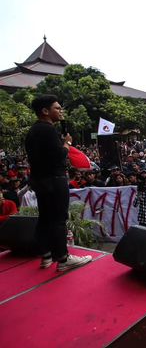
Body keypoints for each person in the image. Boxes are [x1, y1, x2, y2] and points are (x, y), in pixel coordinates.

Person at [25, 95, 92, 271]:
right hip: (55, 179)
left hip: (41, 180)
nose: (61, 111)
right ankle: (63, 258)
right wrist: (67, 144)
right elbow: (58, 155)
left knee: (45, 217)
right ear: (45, 111)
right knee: (58, 218)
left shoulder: (34, 130)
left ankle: (46, 255)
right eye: (57, 108)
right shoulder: (48, 130)